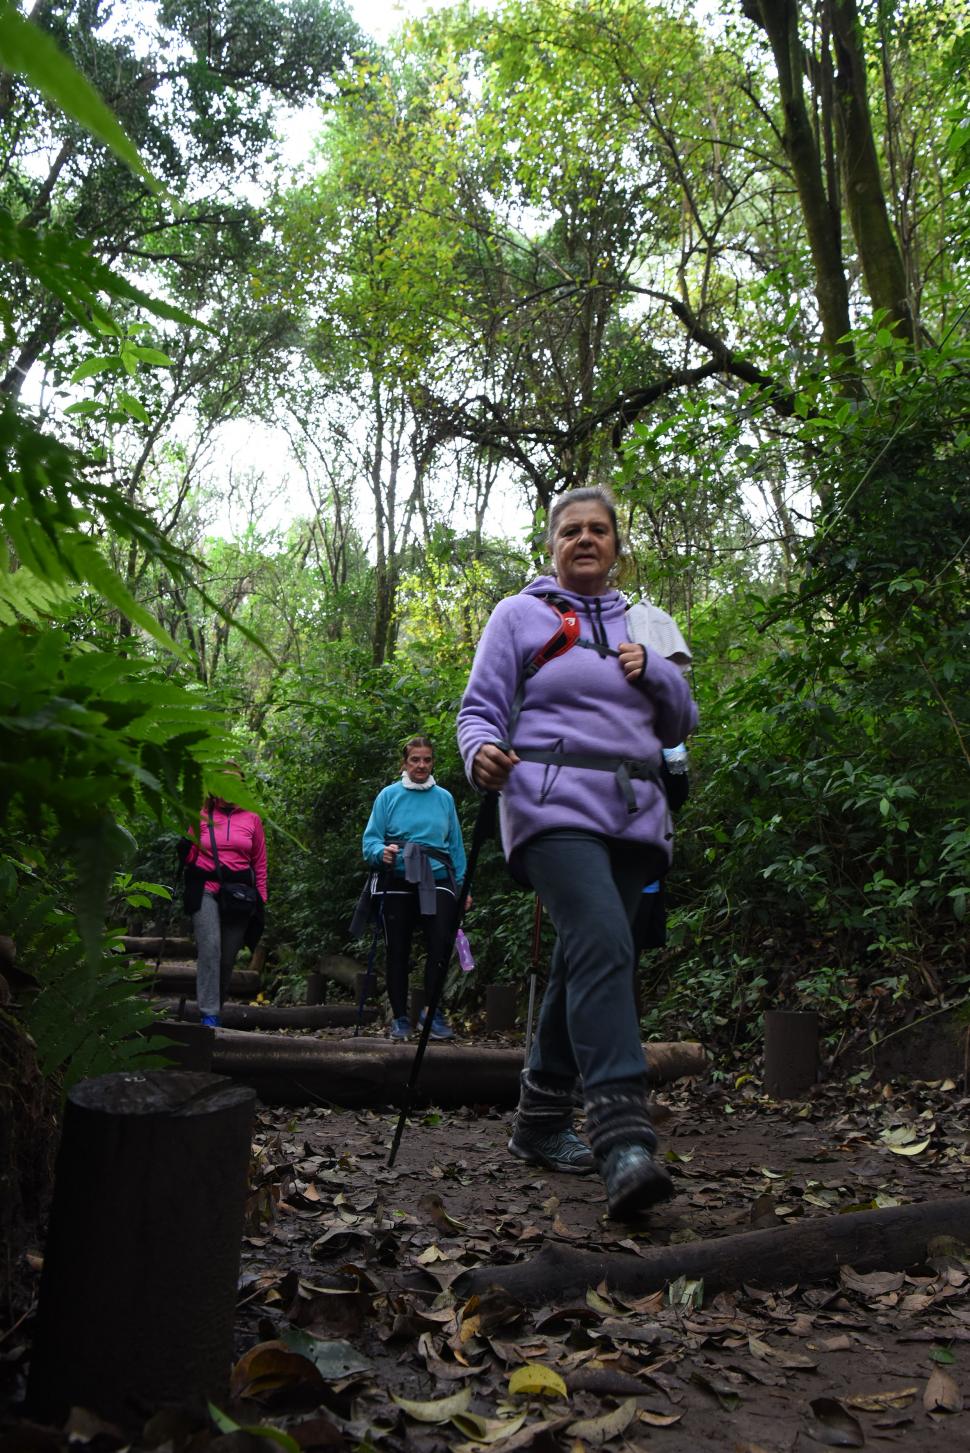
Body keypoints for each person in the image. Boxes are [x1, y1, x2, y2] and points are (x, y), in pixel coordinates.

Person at [457, 486, 698, 1218]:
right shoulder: (519, 614)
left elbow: (681, 719)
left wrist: (652, 669)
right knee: (599, 939)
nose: (585, 539)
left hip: (632, 810)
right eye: (571, 530)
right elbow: (479, 710)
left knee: (584, 957)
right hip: (548, 802)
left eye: (599, 529)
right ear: (552, 545)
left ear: (617, 545)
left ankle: (537, 1121)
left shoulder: (646, 621)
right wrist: (480, 754)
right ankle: (624, 1138)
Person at [361, 736, 468, 1042]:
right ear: (404, 764)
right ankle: (400, 1018)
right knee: (398, 949)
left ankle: (432, 1014)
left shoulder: (444, 798)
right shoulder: (388, 796)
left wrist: (461, 886)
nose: (421, 765)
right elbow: (370, 840)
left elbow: (455, 846)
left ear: (433, 762)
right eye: (415, 760)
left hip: (437, 876)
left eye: (427, 760)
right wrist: (380, 852)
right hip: (397, 877)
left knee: (439, 946)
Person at [182, 768, 267, 1028]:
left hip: (239, 895)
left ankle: (214, 1010)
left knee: (227, 957)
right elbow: (187, 855)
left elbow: (260, 862)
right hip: (205, 889)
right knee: (210, 948)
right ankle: (209, 1014)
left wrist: (261, 900)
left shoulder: (253, 819)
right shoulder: (201, 815)